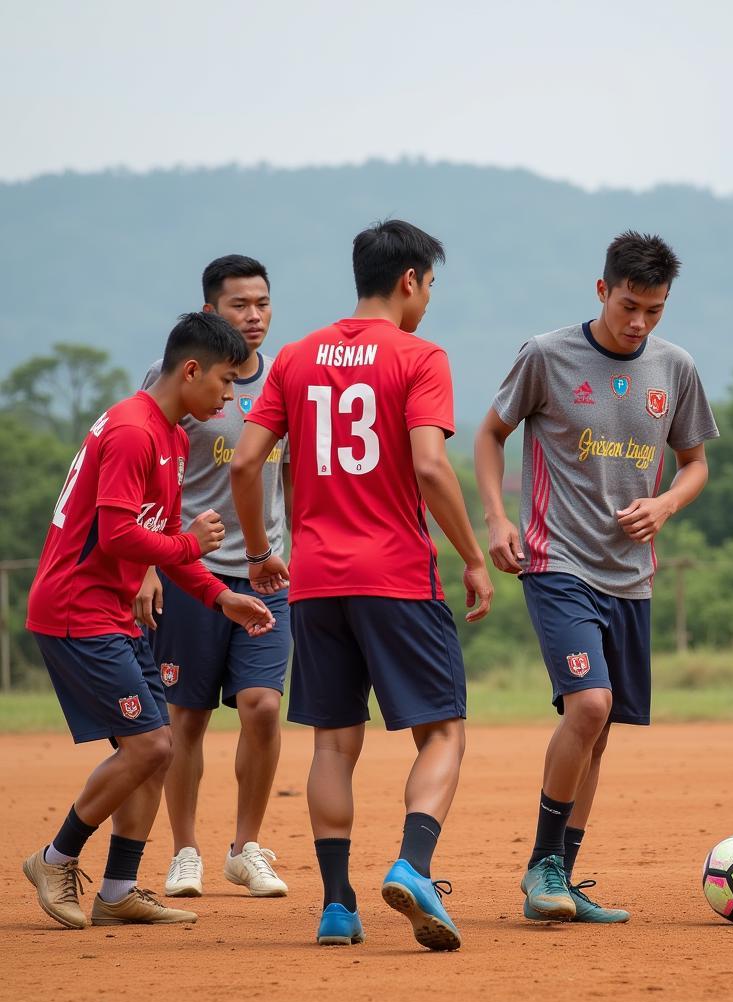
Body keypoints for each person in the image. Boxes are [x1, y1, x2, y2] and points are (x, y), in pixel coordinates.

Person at [230, 219, 493, 950]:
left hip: (313, 580)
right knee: (442, 730)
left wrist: (260, 552)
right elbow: (433, 468)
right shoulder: (420, 356)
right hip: (397, 575)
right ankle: (413, 864)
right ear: (410, 280)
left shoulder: (294, 357)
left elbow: (246, 464)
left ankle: (338, 906)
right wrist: (471, 556)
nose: (428, 301)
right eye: (429, 286)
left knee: (334, 744)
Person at [475, 230, 718, 924]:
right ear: (602, 290)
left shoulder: (675, 368)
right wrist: (498, 520)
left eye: (655, 310)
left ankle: (562, 880)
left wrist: (666, 503)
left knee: (600, 727)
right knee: (588, 706)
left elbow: (696, 463)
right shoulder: (546, 355)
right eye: (629, 305)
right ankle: (542, 866)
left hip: (630, 577)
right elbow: (489, 436)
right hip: (556, 561)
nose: (639, 322)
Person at [22, 312, 276, 929]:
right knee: (152, 744)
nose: (226, 397)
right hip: (77, 611)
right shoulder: (136, 430)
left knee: (155, 751)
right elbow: (118, 535)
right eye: (221, 381)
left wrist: (220, 597)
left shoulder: (169, 433)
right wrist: (192, 545)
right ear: (190, 370)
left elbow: (157, 537)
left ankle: (117, 890)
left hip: (111, 613)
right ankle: (54, 858)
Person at [135, 255, 291, 900]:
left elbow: (298, 476)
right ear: (209, 312)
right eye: (238, 305)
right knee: (187, 718)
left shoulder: (285, 380)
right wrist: (148, 564)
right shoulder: (175, 380)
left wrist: (299, 548)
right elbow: (141, 478)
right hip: (186, 573)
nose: (253, 316)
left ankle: (245, 847)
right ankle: (186, 852)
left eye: (262, 303)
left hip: (268, 575)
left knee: (262, 707)